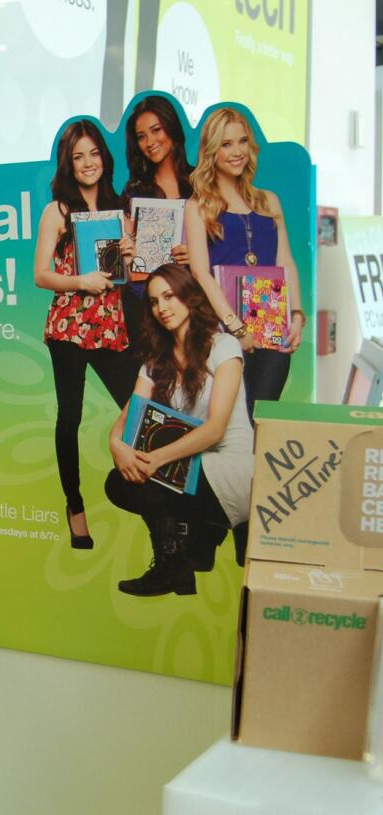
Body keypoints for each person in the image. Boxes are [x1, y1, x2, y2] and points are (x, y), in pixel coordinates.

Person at [105, 265, 253, 596]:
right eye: (155, 302)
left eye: (169, 296)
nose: (163, 308)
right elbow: (127, 420)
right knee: (118, 482)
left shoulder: (223, 346)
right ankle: (182, 556)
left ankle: (186, 551)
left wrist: (155, 459)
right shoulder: (157, 360)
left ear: (189, 297)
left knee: (147, 473)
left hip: (231, 469)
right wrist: (117, 445)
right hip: (189, 468)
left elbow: (216, 430)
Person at [33, 119, 137, 550]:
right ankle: (74, 506)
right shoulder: (57, 210)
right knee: (70, 417)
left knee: (140, 402)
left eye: (93, 153)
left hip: (110, 321)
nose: (87, 163)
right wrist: (81, 282)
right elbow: (40, 275)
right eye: (78, 156)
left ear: (104, 157)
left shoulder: (121, 208)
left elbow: (127, 277)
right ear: (68, 163)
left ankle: (145, 486)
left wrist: (130, 257)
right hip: (70, 325)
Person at [185, 106, 304, 418]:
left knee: (261, 421)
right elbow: (200, 272)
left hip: (271, 330)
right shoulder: (199, 206)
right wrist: (236, 328)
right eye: (226, 144)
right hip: (222, 331)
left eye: (241, 142)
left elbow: (286, 262)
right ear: (212, 151)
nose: (236, 152)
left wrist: (297, 313)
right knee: (228, 426)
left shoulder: (268, 201)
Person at [121, 95, 194, 347]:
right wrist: (127, 254)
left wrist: (195, 254)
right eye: (141, 136)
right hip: (145, 299)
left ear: (171, 127)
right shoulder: (133, 191)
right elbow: (126, 267)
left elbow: (221, 243)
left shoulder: (201, 184)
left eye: (156, 130)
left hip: (193, 294)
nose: (149, 142)